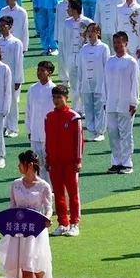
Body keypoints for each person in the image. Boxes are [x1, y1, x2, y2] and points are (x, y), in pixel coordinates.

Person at [0, 150, 55, 278]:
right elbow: (12, 207)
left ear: (30, 165)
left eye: (21, 163)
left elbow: (48, 208)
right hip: (20, 232)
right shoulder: (15, 184)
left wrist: (47, 219)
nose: (18, 166)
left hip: (36, 233)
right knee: (25, 269)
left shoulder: (43, 186)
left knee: (39, 269)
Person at [44, 85, 83, 237]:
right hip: (55, 162)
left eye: (59, 97)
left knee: (73, 193)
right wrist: (48, 159)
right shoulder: (49, 117)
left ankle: (74, 223)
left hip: (70, 162)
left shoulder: (74, 117)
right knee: (58, 193)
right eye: (54, 97)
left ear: (66, 97)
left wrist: (78, 160)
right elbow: (48, 139)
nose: (56, 100)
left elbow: (79, 140)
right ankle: (62, 223)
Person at [104, 31, 140, 174]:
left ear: (126, 43)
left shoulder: (131, 62)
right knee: (113, 133)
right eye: (115, 43)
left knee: (125, 134)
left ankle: (127, 163)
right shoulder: (109, 61)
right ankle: (116, 161)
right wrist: (104, 100)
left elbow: (135, 83)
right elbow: (105, 82)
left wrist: (134, 101)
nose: (117, 45)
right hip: (111, 102)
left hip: (126, 103)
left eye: (119, 43)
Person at [25, 61, 57, 184]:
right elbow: (28, 110)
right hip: (35, 131)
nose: (39, 73)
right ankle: (40, 186)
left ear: (50, 72)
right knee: (36, 163)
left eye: (42, 70)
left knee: (49, 162)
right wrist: (29, 129)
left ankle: (51, 187)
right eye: (38, 70)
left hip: (49, 133)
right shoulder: (32, 89)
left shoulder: (54, 90)